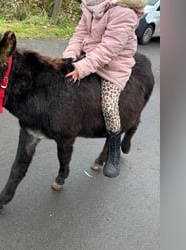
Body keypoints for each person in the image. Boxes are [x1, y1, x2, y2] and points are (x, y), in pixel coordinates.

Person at [62, 0, 147, 178]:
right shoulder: (90, 5)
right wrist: (69, 57)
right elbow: (80, 34)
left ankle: (114, 151)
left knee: (109, 106)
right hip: (89, 58)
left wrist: (81, 68)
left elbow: (108, 50)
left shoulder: (124, 13)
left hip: (113, 67)